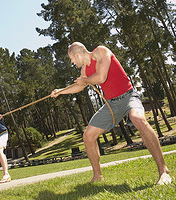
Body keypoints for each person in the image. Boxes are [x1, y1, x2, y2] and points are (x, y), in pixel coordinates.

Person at [51, 42, 171, 185]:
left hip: (128, 96)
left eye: (71, 58)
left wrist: (84, 80)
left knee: (137, 119)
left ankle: (163, 171)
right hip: (111, 104)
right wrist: (60, 91)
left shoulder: (101, 51)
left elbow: (100, 77)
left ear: (77, 54)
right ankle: (97, 176)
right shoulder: (84, 70)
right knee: (88, 136)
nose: (72, 61)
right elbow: (79, 86)